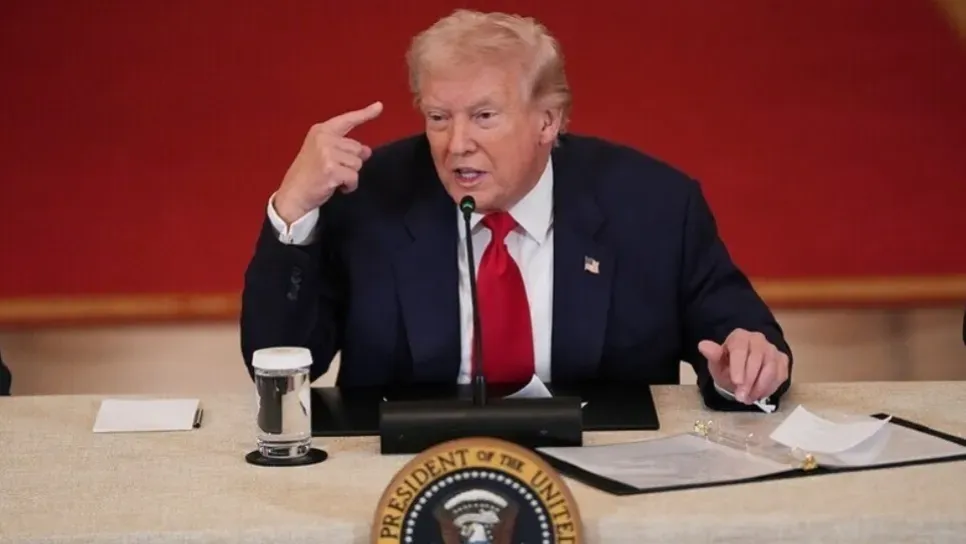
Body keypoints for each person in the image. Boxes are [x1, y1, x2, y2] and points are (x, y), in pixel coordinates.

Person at [240, 9, 792, 411]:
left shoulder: (653, 206)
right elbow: (280, 362)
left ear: (547, 122)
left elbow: (742, 336)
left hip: (602, 473)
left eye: (484, 117)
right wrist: (293, 209)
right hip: (403, 472)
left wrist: (745, 367)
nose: (456, 145)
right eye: (438, 118)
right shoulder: (371, 196)